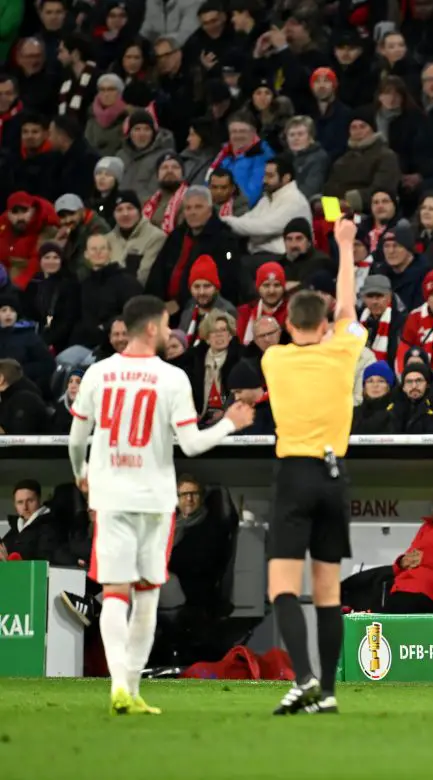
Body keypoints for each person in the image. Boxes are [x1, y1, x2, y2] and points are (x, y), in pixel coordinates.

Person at [66, 295, 254, 716]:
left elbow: (77, 438)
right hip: (154, 500)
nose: (171, 331)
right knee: (147, 596)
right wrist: (229, 423)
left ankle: (118, 684)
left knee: (114, 594)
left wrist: (81, 471)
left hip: (111, 496)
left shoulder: (98, 373)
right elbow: (191, 443)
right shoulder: (172, 379)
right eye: (167, 324)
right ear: (150, 328)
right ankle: (130, 687)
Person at [261, 217, 365, 716]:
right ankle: (327, 693)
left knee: (282, 586)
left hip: (295, 473)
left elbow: (332, 314)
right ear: (325, 327)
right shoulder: (343, 352)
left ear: (287, 325)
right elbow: (347, 304)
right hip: (334, 475)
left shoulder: (274, 361)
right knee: (328, 591)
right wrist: (345, 246)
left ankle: (302, 677)